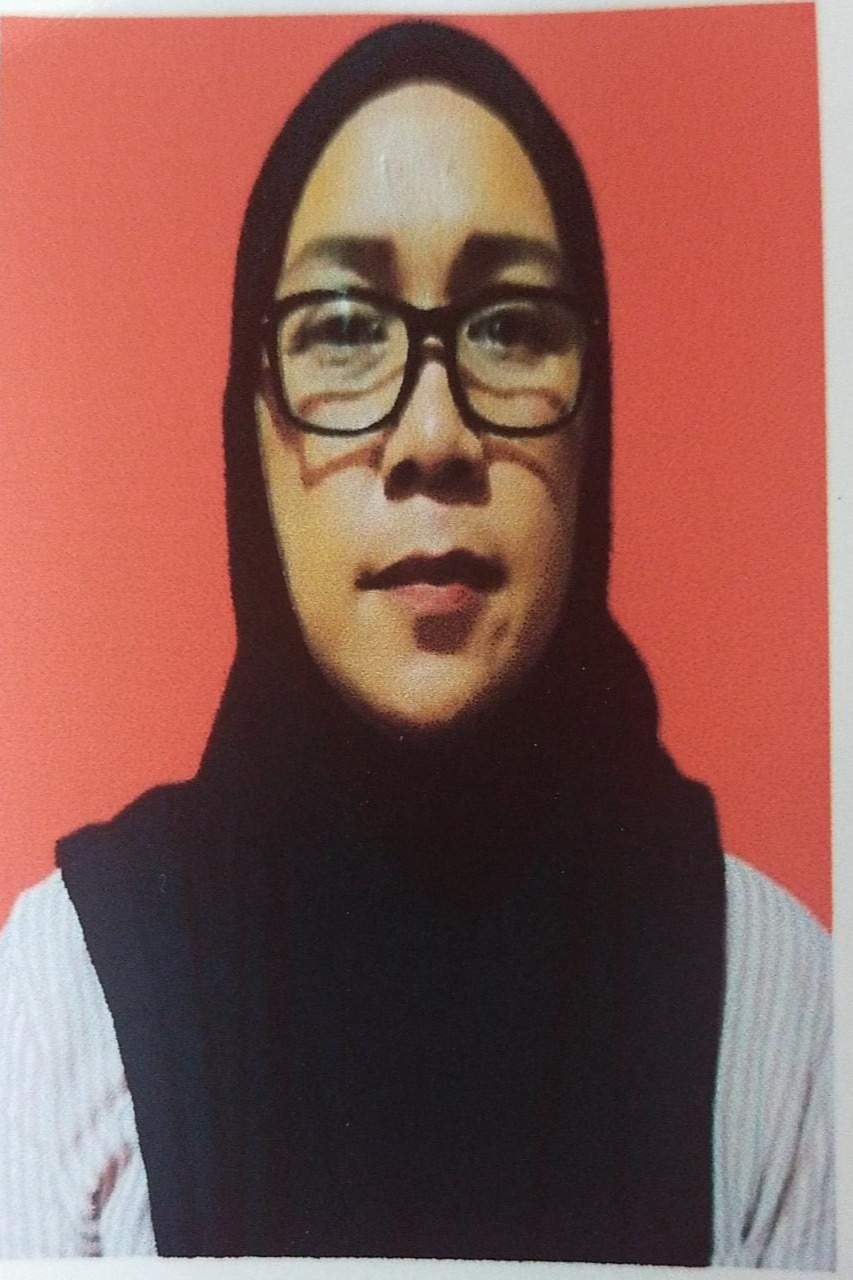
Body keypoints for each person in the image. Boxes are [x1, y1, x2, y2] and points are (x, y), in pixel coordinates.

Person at [0, 20, 833, 1265]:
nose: (433, 435)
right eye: (343, 327)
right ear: (252, 429)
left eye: (510, 324)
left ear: (594, 418)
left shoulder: (778, 1012)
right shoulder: (67, 997)